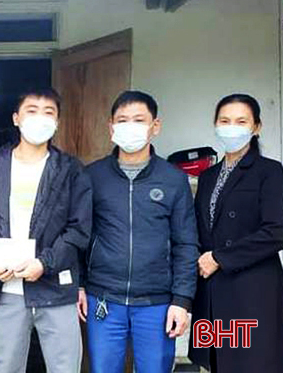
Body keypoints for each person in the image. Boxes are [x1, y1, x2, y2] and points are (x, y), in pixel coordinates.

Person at [0, 88, 92, 373]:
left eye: (48, 112)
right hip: (8, 287)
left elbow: (79, 229)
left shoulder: (70, 169)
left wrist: (44, 263)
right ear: (16, 118)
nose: (40, 118)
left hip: (56, 288)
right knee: (6, 367)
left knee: (65, 368)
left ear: (57, 122)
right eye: (32, 111)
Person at [85, 90, 199, 373]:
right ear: (111, 127)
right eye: (122, 120)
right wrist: (79, 285)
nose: (130, 126)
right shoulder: (92, 176)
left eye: (138, 120)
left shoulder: (173, 179)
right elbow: (80, 233)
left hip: (156, 302)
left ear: (155, 126)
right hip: (104, 298)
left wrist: (182, 300)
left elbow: (186, 243)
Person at [188, 94, 283, 373]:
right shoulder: (208, 176)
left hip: (252, 291)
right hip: (213, 292)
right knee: (219, 363)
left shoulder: (270, 171)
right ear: (215, 125)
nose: (232, 128)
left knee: (253, 364)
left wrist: (220, 258)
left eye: (241, 121)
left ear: (256, 127)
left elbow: (277, 230)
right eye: (225, 121)